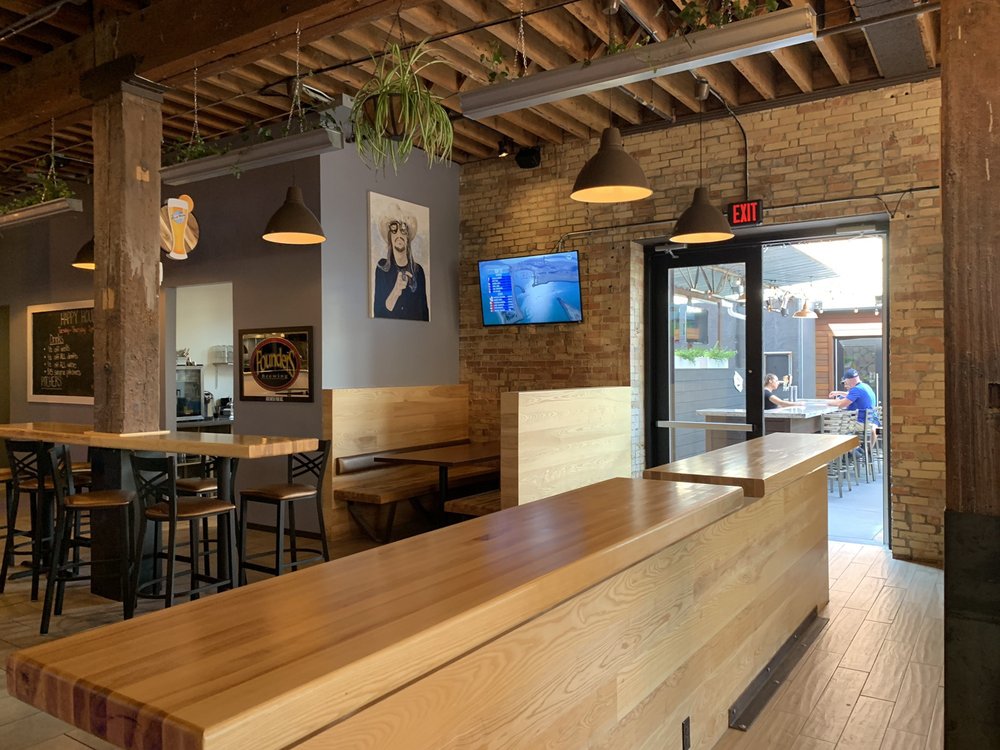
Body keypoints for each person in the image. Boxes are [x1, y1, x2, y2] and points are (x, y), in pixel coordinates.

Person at [372, 209, 428, 321]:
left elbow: (424, 314)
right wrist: (396, 291)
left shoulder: (418, 271)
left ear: (408, 238)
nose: (399, 234)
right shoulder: (382, 268)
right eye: (394, 229)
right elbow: (378, 313)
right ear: (390, 238)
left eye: (403, 230)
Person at [827, 367, 881, 447]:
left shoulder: (856, 390)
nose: (845, 386)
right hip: (871, 422)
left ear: (848, 380)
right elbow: (852, 395)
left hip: (860, 423)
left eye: (845, 383)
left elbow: (841, 404)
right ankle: (860, 450)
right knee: (842, 425)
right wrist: (838, 393)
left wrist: (827, 403)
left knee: (836, 426)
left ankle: (852, 450)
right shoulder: (865, 386)